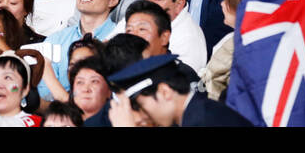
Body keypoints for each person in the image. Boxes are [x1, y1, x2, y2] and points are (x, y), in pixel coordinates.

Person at [106, 54, 252, 127]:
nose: (140, 117)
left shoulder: (202, 121)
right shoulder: (197, 113)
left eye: (140, 106)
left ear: (165, 92)